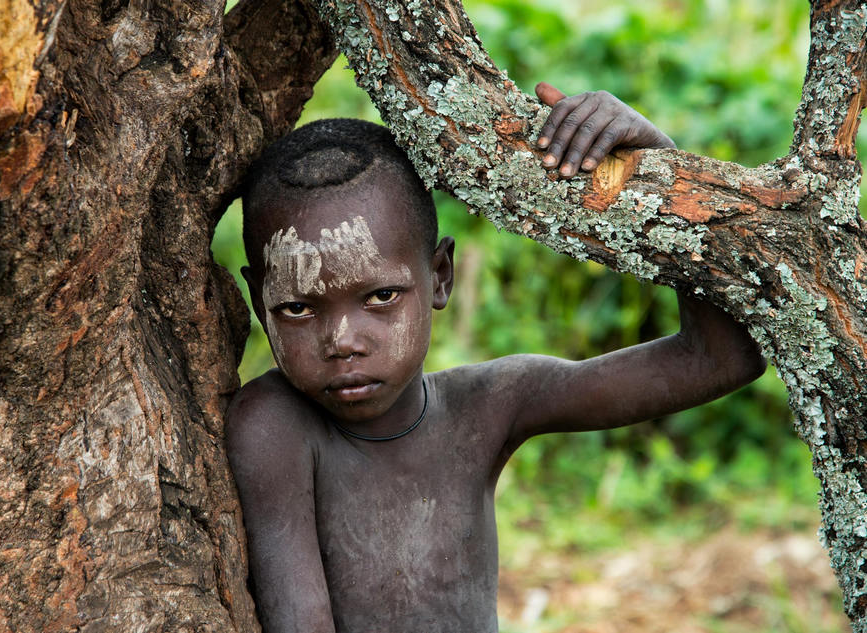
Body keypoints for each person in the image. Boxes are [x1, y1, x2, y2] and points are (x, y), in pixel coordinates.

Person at [224, 83, 765, 633]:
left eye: (381, 297)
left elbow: (724, 357)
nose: (341, 340)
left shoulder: (488, 408)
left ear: (440, 277)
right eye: (296, 307)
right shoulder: (276, 426)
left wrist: (659, 167)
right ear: (258, 300)